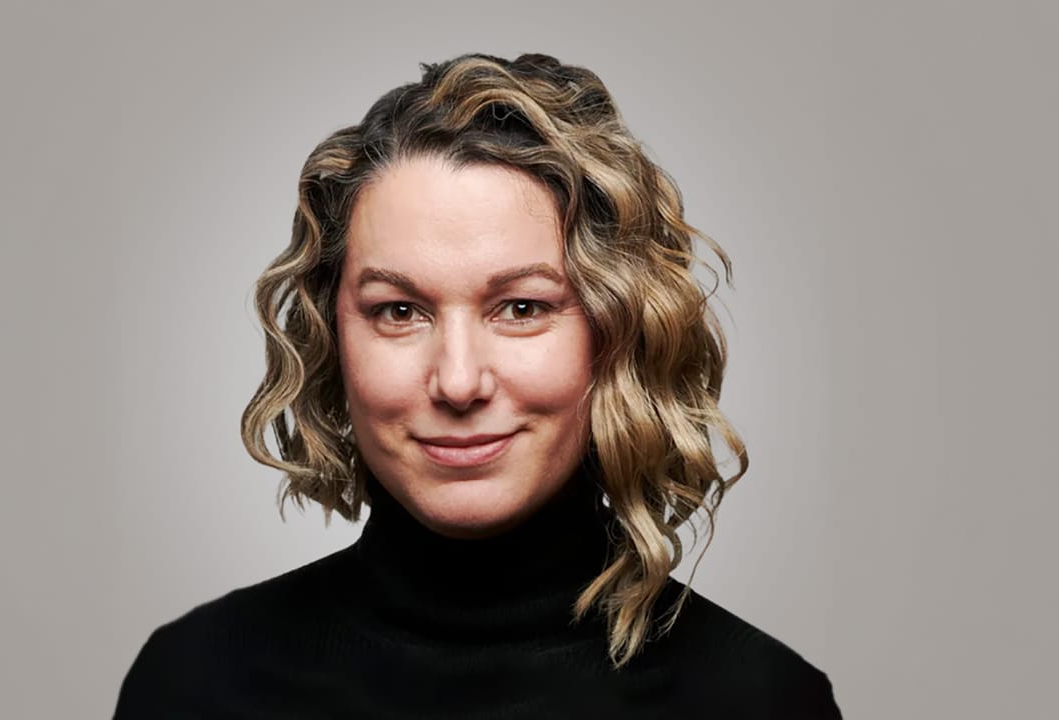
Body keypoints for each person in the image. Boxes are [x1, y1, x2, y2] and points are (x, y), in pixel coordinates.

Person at [113, 52, 842, 719]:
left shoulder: (762, 701)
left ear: (616, 333)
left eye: (521, 308)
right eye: (399, 311)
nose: (458, 382)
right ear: (332, 338)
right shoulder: (194, 683)